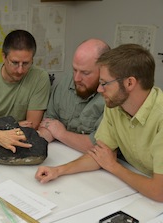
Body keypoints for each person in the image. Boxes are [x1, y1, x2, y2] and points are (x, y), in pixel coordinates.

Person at [35, 44, 163, 202]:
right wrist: (59, 170)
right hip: (141, 188)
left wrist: (114, 167)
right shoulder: (116, 105)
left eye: (105, 83)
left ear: (130, 83)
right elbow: (100, 155)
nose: (100, 90)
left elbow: (159, 192)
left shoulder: (160, 117)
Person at [38, 39, 110, 153]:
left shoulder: (112, 96)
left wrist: (62, 134)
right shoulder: (66, 82)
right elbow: (48, 121)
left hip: (95, 163)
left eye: (85, 73)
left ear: (104, 70)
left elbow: (101, 146)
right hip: (61, 153)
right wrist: (38, 140)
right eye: (74, 70)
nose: (76, 79)